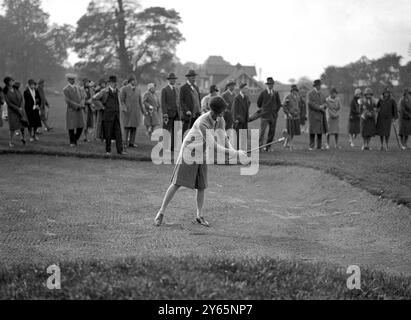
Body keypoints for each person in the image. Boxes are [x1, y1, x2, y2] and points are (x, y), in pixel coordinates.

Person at [154, 96, 245, 228]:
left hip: (201, 153)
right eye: (222, 110)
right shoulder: (203, 122)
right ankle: (160, 212)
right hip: (189, 152)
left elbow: (224, 138)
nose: (224, 113)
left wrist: (234, 152)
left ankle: (199, 215)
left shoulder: (220, 120)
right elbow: (214, 145)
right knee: (177, 183)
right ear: (215, 111)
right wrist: (236, 153)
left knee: (201, 186)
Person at [93, 75, 127, 155]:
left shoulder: (118, 92)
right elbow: (94, 98)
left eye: (116, 82)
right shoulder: (104, 91)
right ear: (110, 83)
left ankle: (120, 151)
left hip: (117, 115)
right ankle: (108, 150)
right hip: (107, 116)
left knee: (118, 133)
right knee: (108, 134)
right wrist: (102, 107)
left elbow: (121, 102)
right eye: (114, 82)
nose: (116, 84)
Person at [257, 77, 282, 152]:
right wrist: (264, 109)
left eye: (271, 84)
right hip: (264, 116)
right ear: (267, 85)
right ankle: (259, 147)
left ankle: (268, 147)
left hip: (273, 116)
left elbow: (278, 104)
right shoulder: (263, 93)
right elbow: (259, 103)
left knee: (272, 132)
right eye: (269, 84)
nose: (270, 85)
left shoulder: (276, 93)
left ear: (273, 85)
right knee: (262, 132)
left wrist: (275, 112)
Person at [120, 74, 144, 149]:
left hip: (136, 112)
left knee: (134, 128)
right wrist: (124, 108)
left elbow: (140, 101)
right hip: (127, 111)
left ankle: (132, 143)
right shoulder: (124, 89)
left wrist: (143, 111)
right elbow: (122, 100)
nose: (135, 82)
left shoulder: (138, 90)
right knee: (127, 127)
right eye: (133, 80)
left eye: (135, 80)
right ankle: (124, 142)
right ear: (130, 81)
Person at [3, 77, 27, 147]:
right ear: (7, 82)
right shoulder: (5, 91)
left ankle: (23, 137)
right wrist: (17, 108)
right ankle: (11, 142)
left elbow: (21, 98)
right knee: (12, 127)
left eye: (13, 80)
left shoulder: (16, 89)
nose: (13, 82)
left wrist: (21, 107)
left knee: (22, 124)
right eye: (11, 81)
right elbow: (9, 103)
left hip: (20, 109)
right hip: (12, 111)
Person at [63, 73, 85, 147]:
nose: (73, 81)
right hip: (71, 110)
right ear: (68, 80)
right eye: (71, 79)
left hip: (79, 110)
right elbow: (68, 101)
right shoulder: (66, 89)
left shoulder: (78, 88)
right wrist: (77, 106)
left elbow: (82, 97)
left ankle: (75, 139)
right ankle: (72, 142)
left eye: (74, 79)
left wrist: (82, 103)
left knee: (80, 126)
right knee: (71, 127)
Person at [161, 73, 180, 152]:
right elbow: (163, 103)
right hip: (168, 113)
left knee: (175, 131)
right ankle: (166, 147)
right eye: (172, 79)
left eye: (174, 79)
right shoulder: (164, 89)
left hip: (176, 113)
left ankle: (173, 147)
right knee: (166, 131)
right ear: (168, 80)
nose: (173, 80)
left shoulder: (176, 89)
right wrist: (165, 113)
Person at [307, 79, 328, 150]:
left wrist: (324, 106)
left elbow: (325, 102)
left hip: (321, 115)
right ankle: (311, 146)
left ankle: (319, 146)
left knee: (320, 131)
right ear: (315, 86)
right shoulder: (310, 93)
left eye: (320, 85)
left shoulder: (322, 94)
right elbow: (310, 103)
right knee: (312, 131)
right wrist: (319, 107)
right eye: (318, 85)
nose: (319, 87)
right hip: (313, 115)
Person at [180, 69, 202, 134]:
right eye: (192, 76)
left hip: (196, 114)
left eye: (194, 76)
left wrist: (199, 110)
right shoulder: (183, 88)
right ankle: (183, 143)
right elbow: (181, 101)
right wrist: (187, 110)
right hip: (188, 114)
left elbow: (198, 99)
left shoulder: (196, 87)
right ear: (188, 77)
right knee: (186, 131)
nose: (194, 78)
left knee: (194, 131)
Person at [282, 85, 301, 150]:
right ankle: (289, 145)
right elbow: (284, 106)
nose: (296, 92)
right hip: (290, 117)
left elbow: (298, 106)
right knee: (290, 131)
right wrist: (288, 113)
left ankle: (286, 144)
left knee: (293, 132)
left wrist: (298, 112)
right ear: (292, 91)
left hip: (296, 117)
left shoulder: (297, 97)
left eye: (296, 91)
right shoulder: (288, 97)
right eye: (295, 91)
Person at [233, 83, 251, 150]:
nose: (247, 89)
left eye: (247, 88)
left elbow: (248, 105)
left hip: (245, 120)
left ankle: (242, 149)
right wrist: (236, 119)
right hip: (239, 120)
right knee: (238, 136)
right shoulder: (237, 98)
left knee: (244, 135)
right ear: (241, 89)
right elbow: (234, 110)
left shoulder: (246, 97)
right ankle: (236, 150)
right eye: (245, 88)